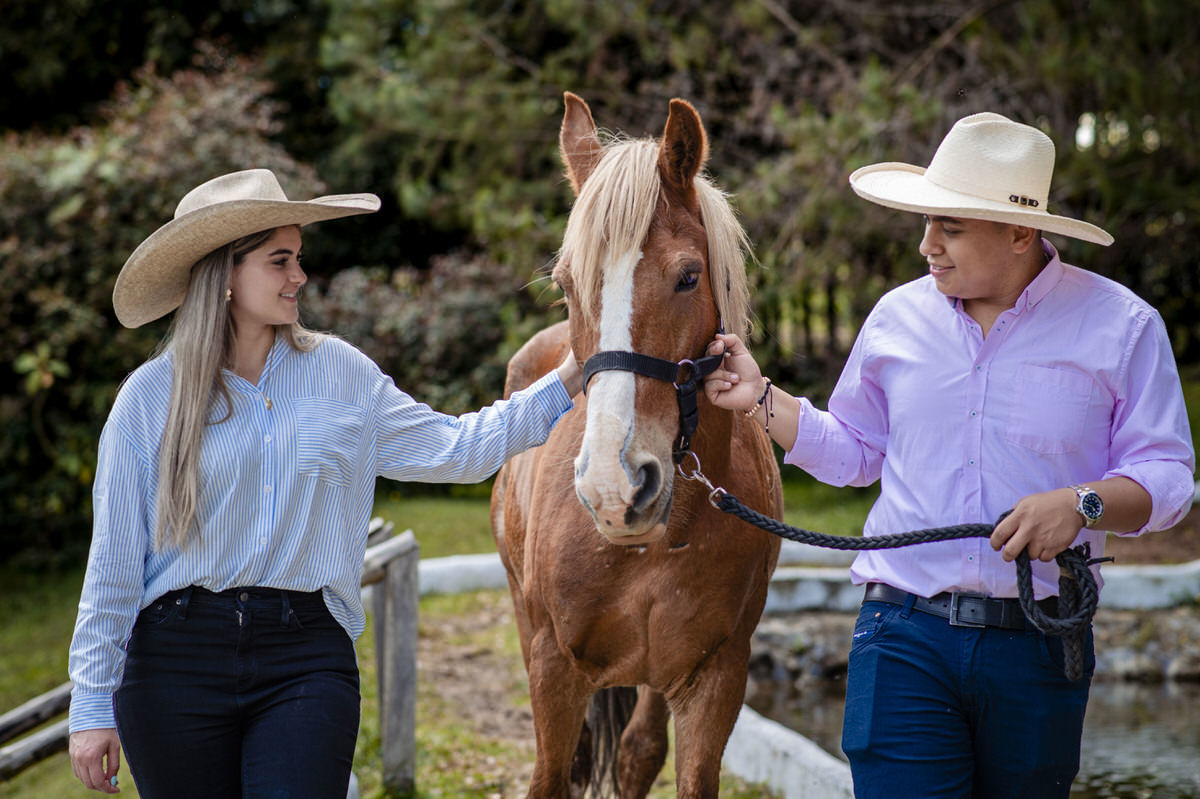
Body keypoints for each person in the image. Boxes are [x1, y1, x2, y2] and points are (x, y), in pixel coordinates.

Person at [704, 113, 1195, 798]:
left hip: (1040, 641)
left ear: (1020, 232)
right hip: (901, 633)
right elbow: (855, 452)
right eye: (928, 223)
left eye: (950, 227)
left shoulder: (1124, 326)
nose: (926, 245)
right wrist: (762, 398)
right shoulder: (895, 318)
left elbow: (1168, 478)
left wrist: (1082, 504)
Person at [67, 168, 583, 797]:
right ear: (225, 275)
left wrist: (570, 374)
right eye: (279, 260)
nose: (299, 277)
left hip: (303, 658)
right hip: (173, 664)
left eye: (299, 258)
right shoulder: (149, 399)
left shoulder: (340, 373)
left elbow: (457, 449)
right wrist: (92, 704)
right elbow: (113, 564)